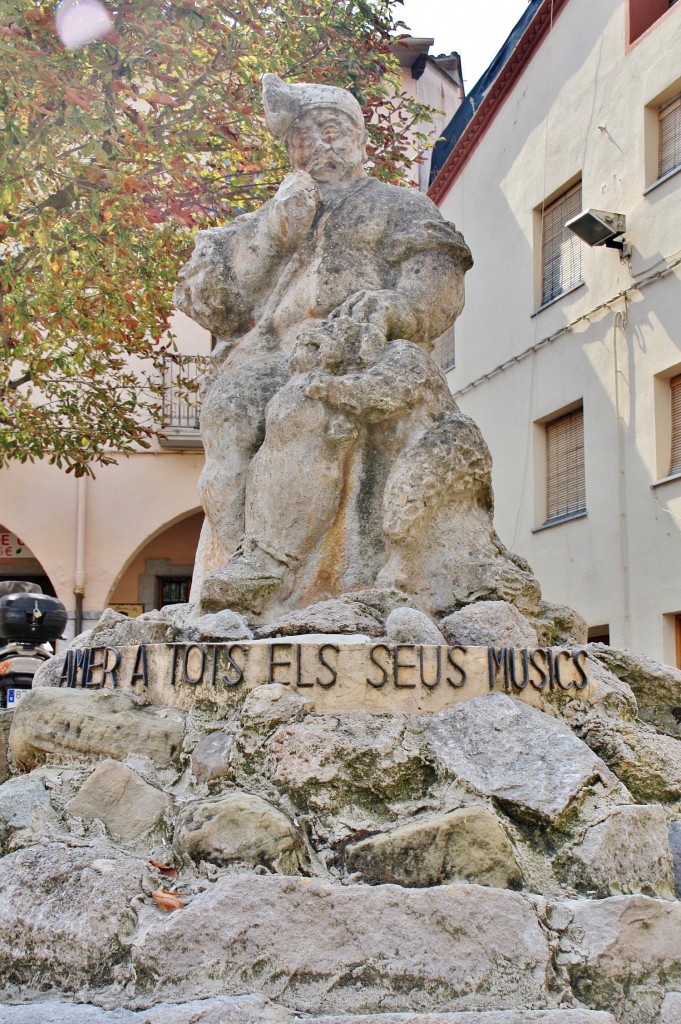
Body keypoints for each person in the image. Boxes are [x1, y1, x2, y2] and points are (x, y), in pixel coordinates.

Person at [174, 74, 474, 615]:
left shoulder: (397, 204)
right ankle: (233, 565)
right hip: (272, 354)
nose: (318, 145)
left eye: (331, 129)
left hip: (356, 350)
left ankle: (270, 562)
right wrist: (272, 231)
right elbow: (215, 304)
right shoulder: (266, 218)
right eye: (302, 137)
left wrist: (396, 309)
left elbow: (437, 276)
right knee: (229, 409)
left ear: (360, 138)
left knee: (304, 405)